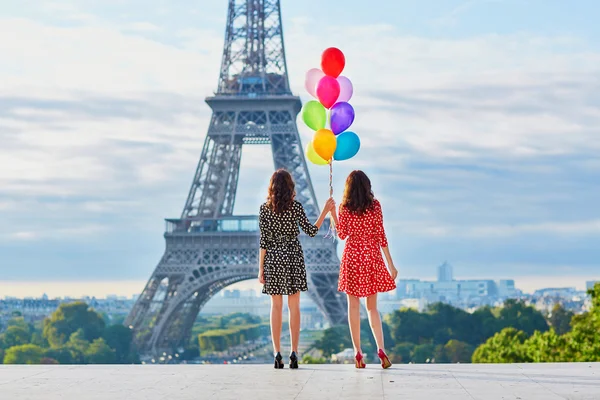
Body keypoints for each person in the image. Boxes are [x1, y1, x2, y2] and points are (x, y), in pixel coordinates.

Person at [258, 169, 333, 369]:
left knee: (275, 307)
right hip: (293, 257)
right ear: (290, 186)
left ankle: (277, 353)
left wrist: (260, 269)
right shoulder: (296, 207)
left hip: (273, 257)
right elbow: (310, 231)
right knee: (294, 307)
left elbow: (264, 241)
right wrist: (325, 211)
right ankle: (294, 352)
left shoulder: (265, 209)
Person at [330, 170, 398, 369]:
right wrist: (390, 264)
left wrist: (333, 213)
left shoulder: (345, 207)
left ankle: (358, 353)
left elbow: (341, 234)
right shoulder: (375, 206)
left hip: (352, 256)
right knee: (372, 307)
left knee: (353, 307)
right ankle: (381, 349)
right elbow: (381, 236)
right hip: (371, 255)